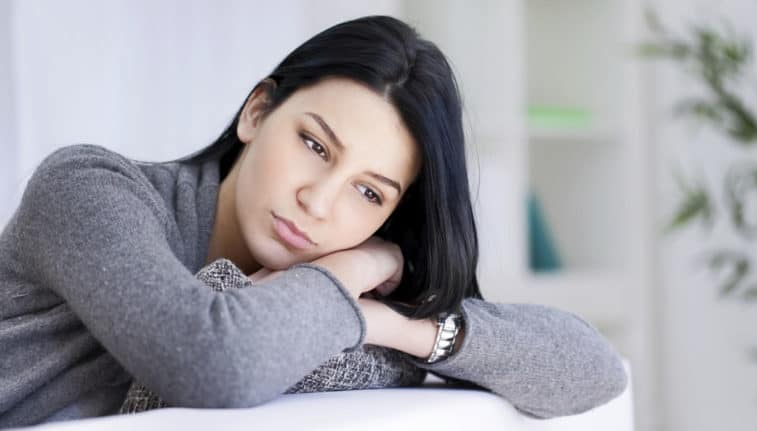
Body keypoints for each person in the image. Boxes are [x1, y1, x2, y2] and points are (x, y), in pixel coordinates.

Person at [0, 15, 628, 428]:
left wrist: (396, 324)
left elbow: (593, 369)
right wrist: (360, 265)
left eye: (369, 192)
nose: (320, 202)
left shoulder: (316, 301)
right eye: (315, 146)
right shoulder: (87, 188)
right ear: (257, 112)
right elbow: (209, 357)